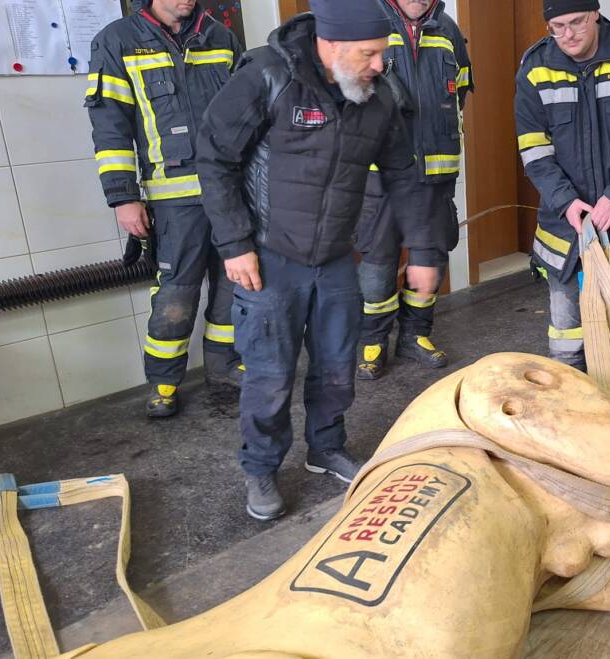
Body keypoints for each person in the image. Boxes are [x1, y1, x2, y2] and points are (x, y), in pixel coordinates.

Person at [195, 0, 434, 520]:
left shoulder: (378, 96)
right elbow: (214, 157)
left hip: (335, 258)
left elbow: (403, 175)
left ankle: (325, 448)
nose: (379, 64)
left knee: (336, 366)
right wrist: (234, 244)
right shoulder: (268, 76)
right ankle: (261, 466)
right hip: (268, 259)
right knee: (270, 375)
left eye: (382, 52)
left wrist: (423, 249)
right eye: (368, 54)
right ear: (331, 45)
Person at [85, 0, 244, 418]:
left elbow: (247, 114)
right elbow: (110, 126)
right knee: (177, 293)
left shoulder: (220, 37)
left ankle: (224, 366)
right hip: (173, 198)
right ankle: (163, 381)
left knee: (235, 283)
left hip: (230, 191)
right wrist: (123, 196)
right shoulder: (118, 41)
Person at [514, 0, 610, 371]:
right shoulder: (535, 68)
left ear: (595, 13)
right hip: (564, 226)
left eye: (577, 22)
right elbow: (534, 151)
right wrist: (567, 202)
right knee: (567, 336)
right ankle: (572, 396)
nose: (567, 35)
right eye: (557, 27)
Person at [356, 0, 474, 380]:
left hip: (435, 173)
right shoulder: (367, 23)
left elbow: (460, 93)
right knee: (378, 264)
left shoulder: (448, 30)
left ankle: (415, 336)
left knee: (431, 260)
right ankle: (374, 341)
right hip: (381, 176)